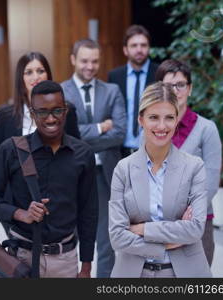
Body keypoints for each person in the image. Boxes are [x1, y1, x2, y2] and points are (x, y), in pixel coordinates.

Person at [0, 80, 98, 278]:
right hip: (21, 259)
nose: (51, 118)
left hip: (66, 260)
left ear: (65, 111)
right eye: (42, 112)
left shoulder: (83, 154)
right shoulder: (11, 150)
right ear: (33, 115)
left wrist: (86, 266)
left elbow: (89, 213)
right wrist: (20, 214)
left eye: (57, 111)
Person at [109, 81, 212, 278]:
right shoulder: (123, 169)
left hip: (185, 274)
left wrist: (141, 229)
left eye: (169, 118)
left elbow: (195, 229)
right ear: (141, 119)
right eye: (154, 117)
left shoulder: (194, 167)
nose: (162, 126)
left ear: (177, 119)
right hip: (133, 274)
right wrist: (165, 244)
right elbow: (117, 237)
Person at [61, 39, 126, 278]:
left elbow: (119, 133)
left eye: (95, 61)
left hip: (104, 175)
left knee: (106, 240)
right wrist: (100, 127)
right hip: (70, 174)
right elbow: (63, 134)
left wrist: (79, 136)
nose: (90, 66)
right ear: (73, 60)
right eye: (84, 60)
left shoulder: (112, 91)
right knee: (68, 238)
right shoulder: (60, 92)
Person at [155, 59, 222, 266]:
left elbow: (210, 182)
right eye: (168, 86)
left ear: (190, 88)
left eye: (181, 85)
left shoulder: (206, 129)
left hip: (197, 222)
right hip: (159, 221)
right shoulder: (151, 128)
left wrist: (189, 213)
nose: (175, 91)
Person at [0, 51, 80, 158]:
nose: (36, 77)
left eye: (40, 71)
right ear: (21, 78)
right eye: (29, 72)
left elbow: (75, 151)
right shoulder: (4, 115)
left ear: (48, 75)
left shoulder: (66, 110)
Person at [108, 25, 158, 157]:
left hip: (152, 150)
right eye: (134, 45)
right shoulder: (114, 76)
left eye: (143, 45)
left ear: (149, 48)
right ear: (125, 50)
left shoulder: (160, 74)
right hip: (120, 150)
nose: (139, 50)